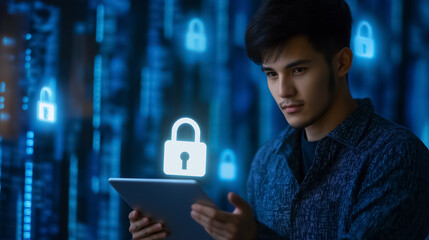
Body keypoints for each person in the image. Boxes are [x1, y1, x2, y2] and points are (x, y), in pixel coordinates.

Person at [128, 0, 429, 239]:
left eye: (298, 70)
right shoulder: (267, 161)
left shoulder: (397, 156)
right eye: (271, 74)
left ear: (342, 62)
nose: (283, 91)